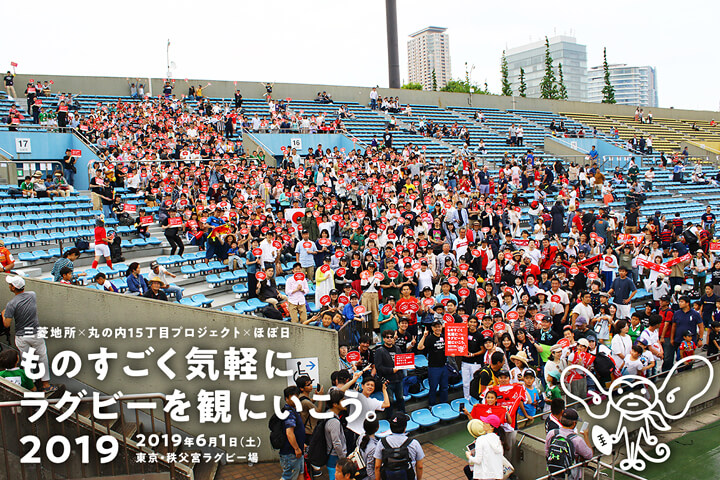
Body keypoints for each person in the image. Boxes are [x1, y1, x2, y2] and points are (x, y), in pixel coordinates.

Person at [1, 276, 56, 392]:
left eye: (10, 284)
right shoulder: (32, 295)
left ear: (13, 288)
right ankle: (46, 385)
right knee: (42, 357)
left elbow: (6, 324)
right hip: (36, 334)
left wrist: (3, 314)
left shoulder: (11, 304)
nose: (9, 286)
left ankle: (31, 386)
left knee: (27, 361)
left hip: (22, 336)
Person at [545, 408, 593, 480]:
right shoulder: (577, 440)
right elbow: (589, 455)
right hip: (570, 476)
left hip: (553, 473)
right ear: (574, 423)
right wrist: (586, 436)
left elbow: (547, 452)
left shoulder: (552, 433)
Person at [374, 413, 425, 480]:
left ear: (390, 426)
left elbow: (377, 466)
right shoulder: (414, 443)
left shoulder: (381, 442)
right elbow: (420, 466)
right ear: (405, 427)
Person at [374, 329, 406, 417]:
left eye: (391, 337)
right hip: (387, 380)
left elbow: (402, 362)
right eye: (387, 337)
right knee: (390, 401)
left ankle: (402, 416)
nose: (389, 339)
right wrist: (391, 370)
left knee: (400, 398)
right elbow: (378, 367)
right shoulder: (379, 350)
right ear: (383, 339)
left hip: (398, 379)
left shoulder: (397, 348)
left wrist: (407, 365)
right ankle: (390, 418)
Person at [417, 320, 448, 406]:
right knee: (433, 387)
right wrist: (424, 336)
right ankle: (432, 404)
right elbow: (419, 347)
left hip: (444, 366)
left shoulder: (444, 337)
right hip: (433, 367)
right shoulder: (429, 338)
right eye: (435, 327)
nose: (438, 328)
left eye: (439, 326)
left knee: (444, 387)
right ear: (432, 328)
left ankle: (444, 403)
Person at [279, 386, 305, 480]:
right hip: (291, 453)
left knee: (300, 474)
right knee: (288, 477)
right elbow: (289, 433)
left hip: (296, 451)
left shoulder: (294, 410)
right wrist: (296, 448)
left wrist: (301, 445)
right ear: (286, 399)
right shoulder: (289, 413)